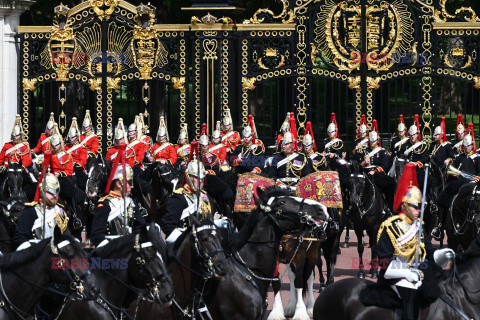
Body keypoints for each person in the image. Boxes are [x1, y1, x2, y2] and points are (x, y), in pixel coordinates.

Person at [432, 127, 480, 240]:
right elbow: (453, 170)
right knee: (444, 195)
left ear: (472, 145)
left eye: (468, 145)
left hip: (473, 184)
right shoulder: (459, 157)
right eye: (465, 145)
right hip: (459, 183)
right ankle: (440, 224)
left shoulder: (477, 158)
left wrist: (476, 180)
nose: (467, 147)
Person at [161, 156, 217, 242]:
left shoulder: (206, 196)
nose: (200, 180)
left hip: (205, 242)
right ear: (187, 177)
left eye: (202, 177)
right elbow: (167, 225)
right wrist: (185, 241)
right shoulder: (178, 197)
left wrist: (217, 224)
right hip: (185, 244)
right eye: (195, 177)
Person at [91, 164, 146, 247]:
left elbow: (141, 225)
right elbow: (97, 234)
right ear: (119, 184)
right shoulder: (105, 203)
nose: (132, 186)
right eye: (129, 182)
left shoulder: (130, 201)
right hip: (111, 251)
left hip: (129, 249)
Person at [13, 173, 68, 249]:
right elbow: (20, 238)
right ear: (42, 192)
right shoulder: (30, 212)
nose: (55, 195)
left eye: (56, 192)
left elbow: (65, 236)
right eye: (50, 192)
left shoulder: (59, 210)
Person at [360, 120, 396, 210]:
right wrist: (364, 163)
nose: (372, 142)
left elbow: (385, 165)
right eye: (370, 141)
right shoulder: (365, 150)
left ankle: (390, 206)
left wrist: (375, 170)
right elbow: (358, 163)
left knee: (391, 183)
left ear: (377, 141)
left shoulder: (381, 151)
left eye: (374, 141)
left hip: (377, 174)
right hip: (366, 173)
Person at [64, 118, 88, 191]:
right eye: (70, 137)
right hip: (66, 167)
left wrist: (74, 164)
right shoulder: (65, 147)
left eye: (73, 137)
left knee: (80, 181)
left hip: (77, 168)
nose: (71, 139)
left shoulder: (82, 148)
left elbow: (83, 162)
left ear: (77, 137)